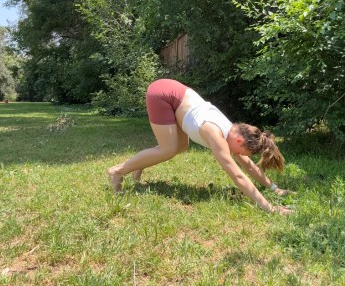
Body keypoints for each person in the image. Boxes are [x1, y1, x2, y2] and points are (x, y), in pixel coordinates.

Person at [107, 79, 292, 215]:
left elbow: (248, 166)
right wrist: (270, 208)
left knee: (178, 146)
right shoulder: (217, 134)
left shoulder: (233, 132)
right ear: (239, 142)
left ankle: (139, 164)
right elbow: (237, 175)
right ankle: (117, 171)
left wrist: (274, 188)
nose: (239, 156)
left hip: (175, 94)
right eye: (241, 152)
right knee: (168, 149)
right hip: (162, 94)